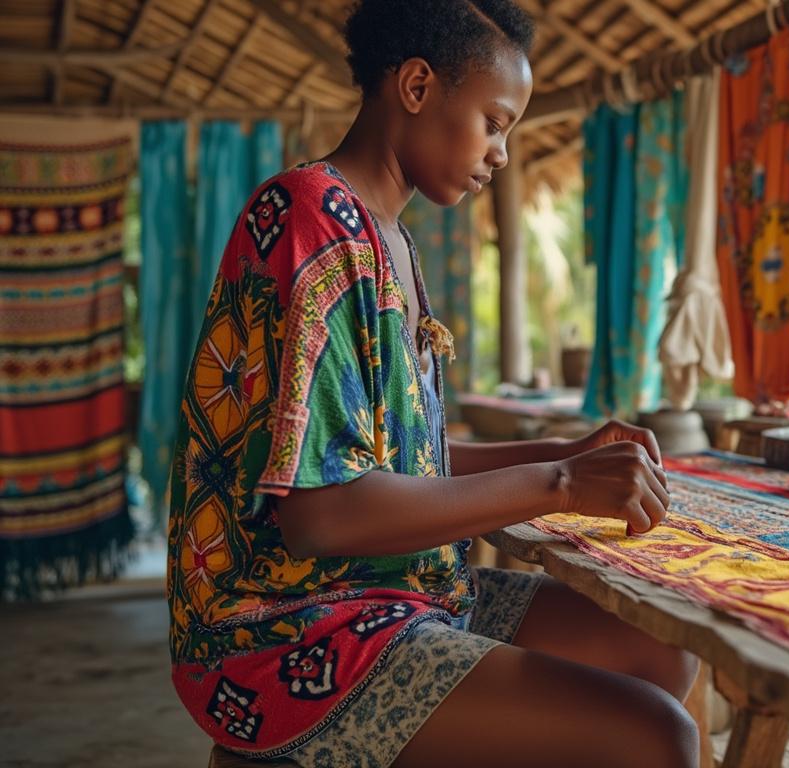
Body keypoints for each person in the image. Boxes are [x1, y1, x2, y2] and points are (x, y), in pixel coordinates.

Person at [164, 1, 700, 766]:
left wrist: (564, 450)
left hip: (402, 591)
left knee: (661, 647)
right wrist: (557, 481)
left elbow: (393, 463)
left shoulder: (391, 242)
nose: (502, 153)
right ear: (416, 86)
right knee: (655, 736)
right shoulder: (307, 219)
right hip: (286, 627)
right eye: (494, 121)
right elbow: (324, 514)